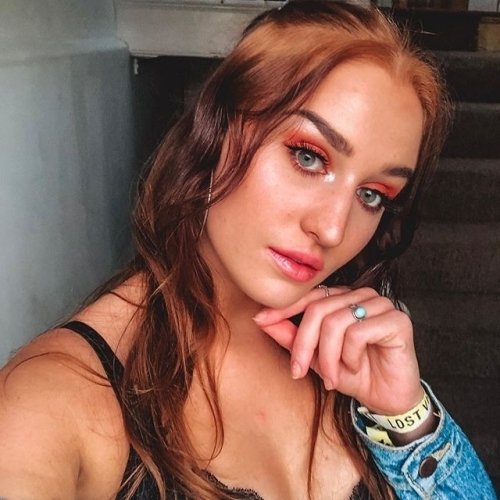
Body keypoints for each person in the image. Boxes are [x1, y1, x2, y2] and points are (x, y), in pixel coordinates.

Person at [0, 1, 495, 499]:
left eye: (372, 195)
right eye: (308, 156)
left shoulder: (352, 354)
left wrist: (408, 418)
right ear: (215, 132)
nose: (332, 228)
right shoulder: (52, 400)